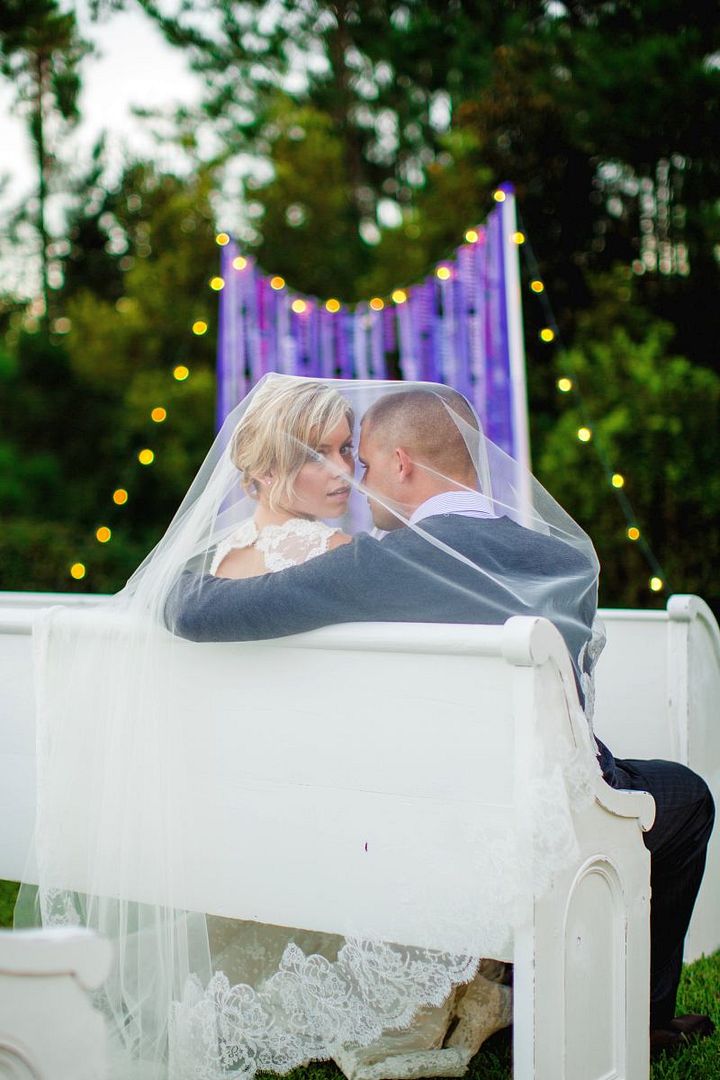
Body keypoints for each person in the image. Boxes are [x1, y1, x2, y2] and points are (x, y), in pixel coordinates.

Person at [167, 381, 715, 1059]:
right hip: (533, 805)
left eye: (362, 463)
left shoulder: (374, 565)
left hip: (425, 804)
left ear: (401, 464)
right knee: (684, 795)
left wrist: (172, 576)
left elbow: (196, 612)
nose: (357, 483)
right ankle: (641, 1013)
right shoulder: (569, 558)